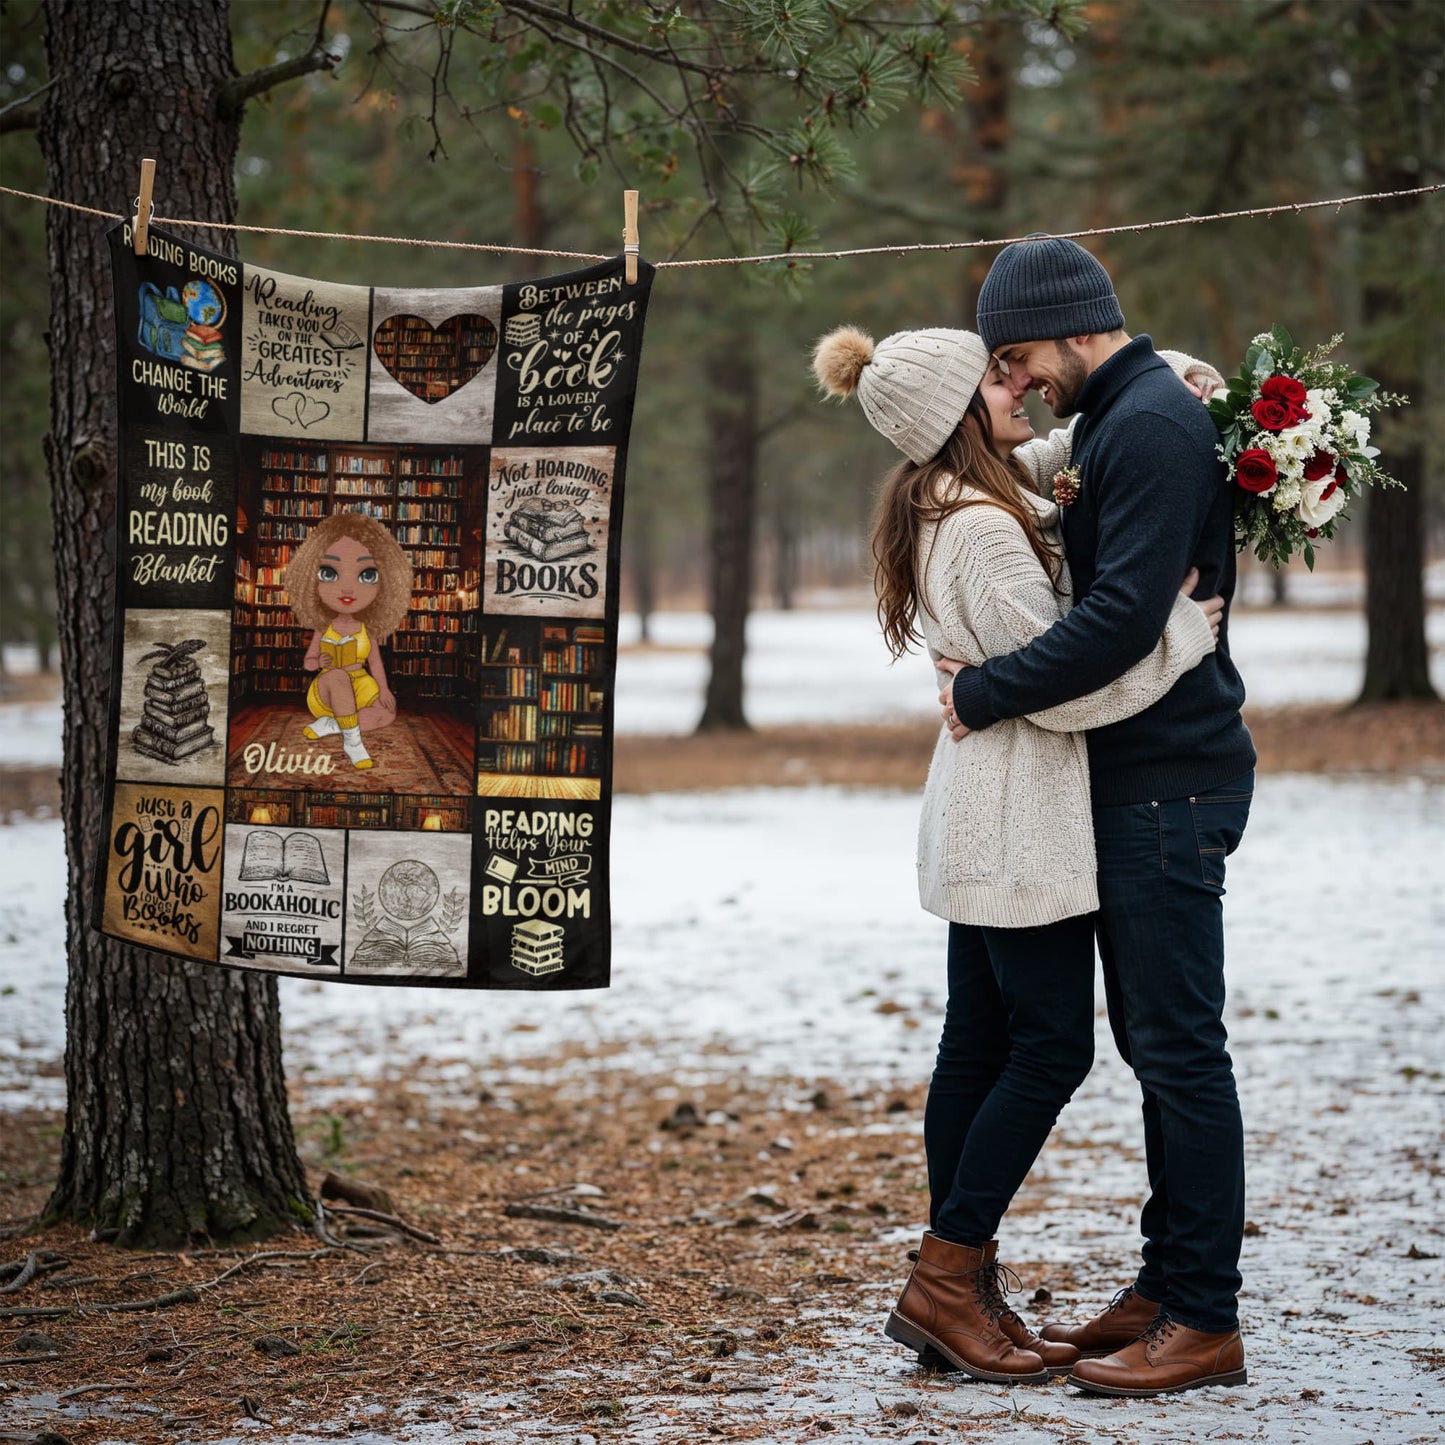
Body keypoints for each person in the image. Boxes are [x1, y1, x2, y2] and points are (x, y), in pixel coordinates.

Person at [812, 322, 1224, 1385]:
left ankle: (960, 1277)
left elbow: (1054, 463)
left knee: (977, 1043)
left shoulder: (947, 493)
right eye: (995, 380)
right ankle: (946, 1277)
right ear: (956, 413)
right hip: (1015, 815)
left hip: (982, 805)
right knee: (1048, 1050)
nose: (1019, 386)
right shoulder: (984, 535)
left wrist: (1164, 380)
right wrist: (1184, 628)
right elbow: (1072, 679)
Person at [937, 234, 1257, 1398]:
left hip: (1169, 776)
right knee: (1151, 1045)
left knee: (1176, 1047)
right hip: (1134, 774)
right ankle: (1165, 1281)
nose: (1014, 381)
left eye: (1018, 358)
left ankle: (1204, 1312)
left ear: (1073, 326)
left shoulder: (1151, 423)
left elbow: (1125, 616)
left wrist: (980, 687)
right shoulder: (1123, 415)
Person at [285, 511, 413, 771]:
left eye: (367, 575)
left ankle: (333, 725)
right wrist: (318, 661)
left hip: (361, 686)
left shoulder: (368, 629)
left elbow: (375, 665)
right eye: (330, 573)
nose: (346, 589)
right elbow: (309, 663)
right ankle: (353, 742)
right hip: (328, 685)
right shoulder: (324, 626)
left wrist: (385, 691)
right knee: (338, 677)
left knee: (386, 712)